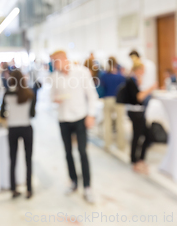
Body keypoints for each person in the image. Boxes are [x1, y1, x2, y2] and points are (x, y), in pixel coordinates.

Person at [50, 50, 98, 204]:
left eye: (56, 61)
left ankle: (87, 186)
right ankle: (73, 181)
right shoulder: (55, 77)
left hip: (80, 117)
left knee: (82, 152)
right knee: (67, 152)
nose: (54, 65)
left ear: (64, 59)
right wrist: (56, 99)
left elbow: (91, 95)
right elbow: (52, 96)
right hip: (64, 118)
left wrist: (91, 115)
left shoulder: (81, 72)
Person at [0, 70, 35, 199]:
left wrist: (10, 114)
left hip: (13, 128)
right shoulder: (29, 93)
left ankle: (13, 189)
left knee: (13, 160)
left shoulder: (7, 94)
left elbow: (1, 113)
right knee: (28, 160)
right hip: (26, 127)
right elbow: (32, 114)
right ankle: (29, 189)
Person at [119, 62, 157, 174]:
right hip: (135, 112)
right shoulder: (131, 81)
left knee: (144, 135)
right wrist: (150, 88)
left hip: (138, 111)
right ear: (138, 69)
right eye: (143, 70)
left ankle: (139, 159)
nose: (144, 72)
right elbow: (139, 97)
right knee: (139, 136)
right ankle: (135, 160)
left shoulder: (135, 80)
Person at [100, 57, 126, 151]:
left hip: (107, 99)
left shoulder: (104, 75)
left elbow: (102, 86)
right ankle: (121, 145)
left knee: (107, 123)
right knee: (120, 123)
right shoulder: (120, 76)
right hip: (119, 100)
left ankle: (107, 144)